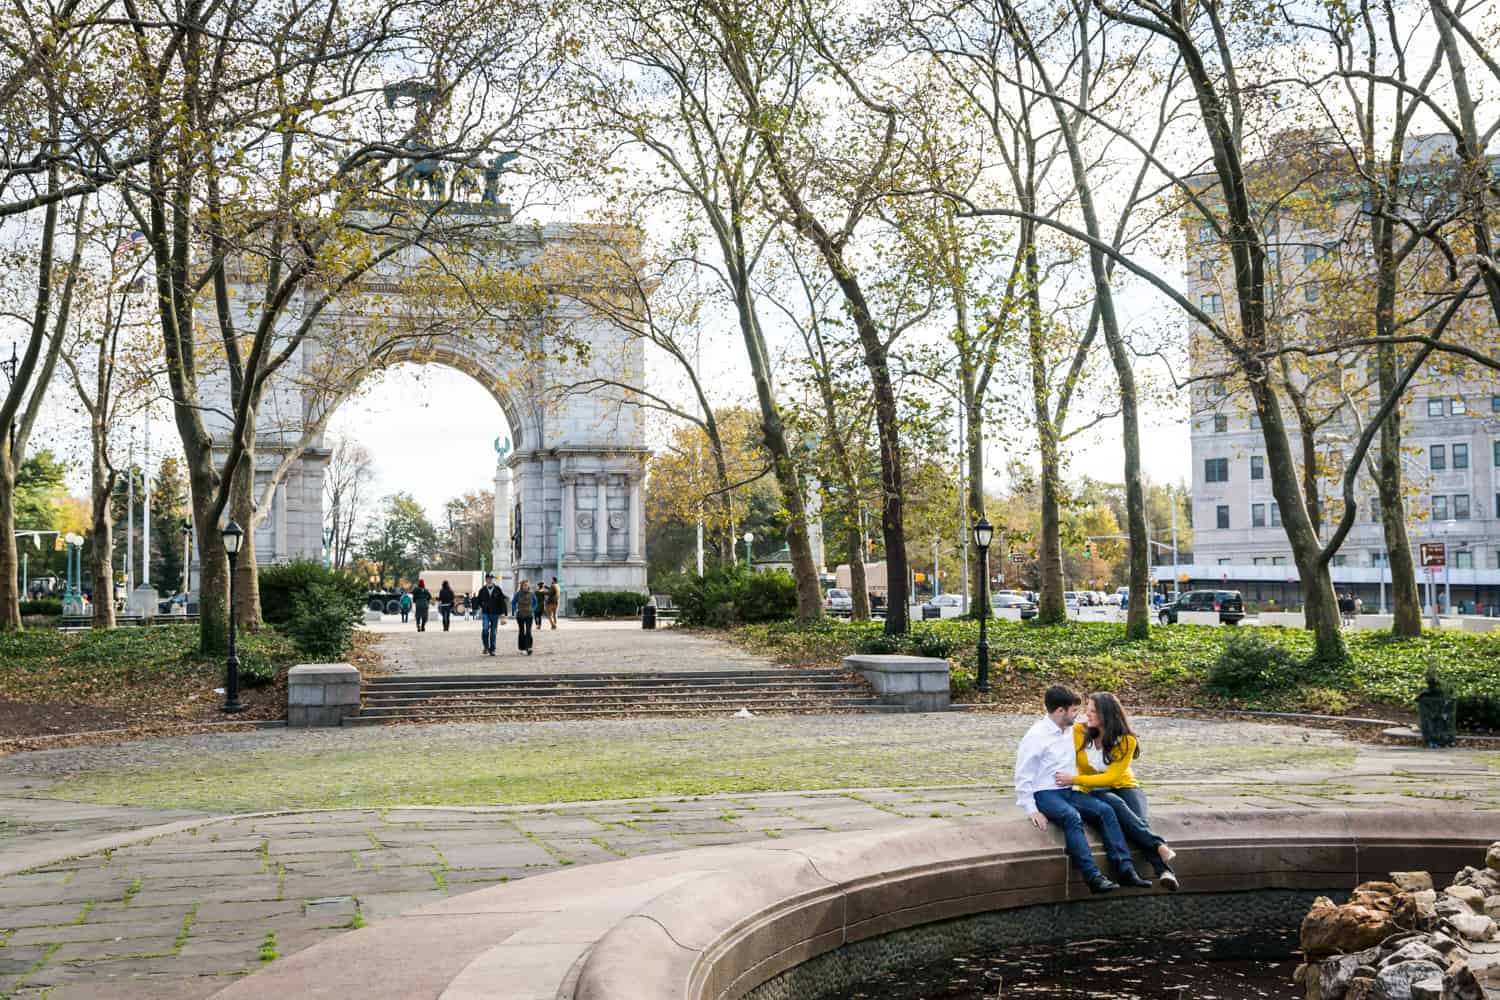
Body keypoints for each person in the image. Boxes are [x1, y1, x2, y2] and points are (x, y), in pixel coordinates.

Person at [1014, 685, 1152, 895]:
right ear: (1060, 711)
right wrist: (1031, 809)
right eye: (1074, 711)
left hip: (1070, 790)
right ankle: (1093, 878)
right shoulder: (1036, 736)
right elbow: (1022, 776)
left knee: (1105, 810)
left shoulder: (1072, 731)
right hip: (1046, 793)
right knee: (1072, 817)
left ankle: (1126, 870)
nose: (1080, 716)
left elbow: (1103, 733)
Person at [1054, 692, 1180, 892]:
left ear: (1107, 714)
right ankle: (1160, 851)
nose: (1088, 714)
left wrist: (1074, 779)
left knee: (1136, 821)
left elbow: (1111, 778)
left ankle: (1163, 871)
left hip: (1125, 785)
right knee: (1117, 806)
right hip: (1095, 788)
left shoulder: (1127, 740)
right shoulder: (1079, 732)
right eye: (1088, 709)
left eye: (1093, 711)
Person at [474, 574, 507, 655]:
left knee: (493, 632)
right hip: (486, 613)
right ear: (486, 580)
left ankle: (492, 649)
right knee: (485, 629)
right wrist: (480, 606)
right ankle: (486, 646)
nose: (489, 580)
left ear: (493, 580)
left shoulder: (498, 589)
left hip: (495, 614)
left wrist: (503, 613)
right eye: (488, 578)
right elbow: (479, 600)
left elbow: (502, 602)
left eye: (491, 578)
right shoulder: (482, 590)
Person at [512, 580, 537, 655]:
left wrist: (533, 609)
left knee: (528, 631)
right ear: (521, 586)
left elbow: (535, 603)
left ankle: (529, 647)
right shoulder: (517, 594)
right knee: (522, 631)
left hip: (529, 615)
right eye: (524, 585)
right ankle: (522, 648)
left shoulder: (532, 594)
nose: (525, 587)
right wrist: (515, 609)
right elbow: (513, 602)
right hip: (520, 615)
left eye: (527, 585)